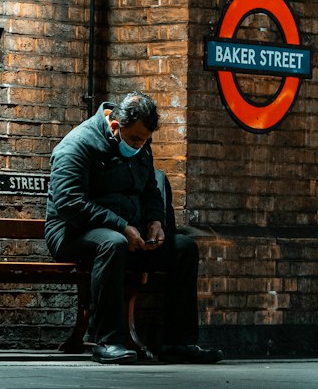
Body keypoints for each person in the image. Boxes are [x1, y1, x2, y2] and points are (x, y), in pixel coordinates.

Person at [45, 93, 222, 365]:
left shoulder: (140, 146)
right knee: (112, 243)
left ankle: (179, 342)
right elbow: (70, 203)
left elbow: (150, 189)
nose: (140, 146)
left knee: (183, 249)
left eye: (145, 141)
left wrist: (155, 222)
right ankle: (108, 342)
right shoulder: (77, 145)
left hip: (129, 232)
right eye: (136, 140)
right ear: (115, 127)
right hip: (72, 233)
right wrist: (122, 226)